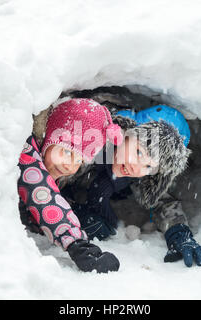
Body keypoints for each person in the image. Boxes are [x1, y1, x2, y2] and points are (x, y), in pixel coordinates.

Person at [60, 104, 201, 268]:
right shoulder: (90, 144)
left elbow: (162, 202)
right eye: (139, 152)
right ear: (127, 131)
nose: (137, 167)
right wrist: (68, 211)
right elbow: (47, 179)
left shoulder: (134, 172)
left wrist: (179, 233)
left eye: (149, 167)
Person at [17, 98, 123, 273]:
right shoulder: (27, 152)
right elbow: (42, 193)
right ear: (49, 136)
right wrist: (79, 245)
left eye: (79, 159)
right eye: (66, 151)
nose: (70, 165)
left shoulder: (52, 161)